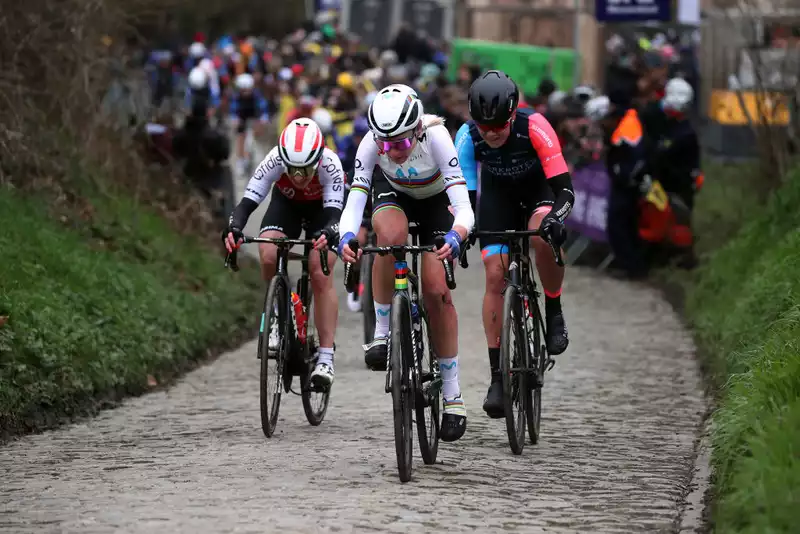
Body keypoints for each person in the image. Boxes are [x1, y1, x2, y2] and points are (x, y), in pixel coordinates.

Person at [337, 84, 475, 443]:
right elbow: (355, 200)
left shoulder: (438, 138)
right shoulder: (373, 143)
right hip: (393, 194)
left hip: (435, 204)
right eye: (384, 144)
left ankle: (452, 393)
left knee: (436, 290)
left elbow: (463, 208)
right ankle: (382, 330)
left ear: (417, 130)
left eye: (399, 143)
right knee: (389, 238)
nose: (391, 151)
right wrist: (346, 236)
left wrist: (457, 235)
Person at [454, 70, 573, 419]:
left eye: (498, 128)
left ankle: (553, 309)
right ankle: (497, 379)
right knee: (495, 275)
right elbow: (464, 197)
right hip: (497, 199)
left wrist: (556, 219)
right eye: (483, 127)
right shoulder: (467, 136)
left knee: (541, 237)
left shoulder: (534, 126)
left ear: (511, 116)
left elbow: (565, 190)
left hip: (538, 192)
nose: (489, 135)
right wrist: (460, 233)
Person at [223, 119, 344, 387]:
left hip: (322, 212)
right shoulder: (274, 158)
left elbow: (335, 213)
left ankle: (325, 357)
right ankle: (278, 315)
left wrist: (328, 233)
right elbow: (247, 203)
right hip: (286, 206)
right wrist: (234, 228)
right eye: (293, 170)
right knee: (267, 253)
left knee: (319, 269)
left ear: (317, 159)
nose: (299, 177)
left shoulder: (330, 162)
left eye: (306, 170)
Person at [585, 92, 649, 280]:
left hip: (628, 185)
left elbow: (638, 156)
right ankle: (628, 265)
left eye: (602, 123)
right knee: (622, 224)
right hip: (622, 182)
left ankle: (633, 267)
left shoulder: (628, 126)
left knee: (620, 224)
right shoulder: (620, 125)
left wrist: (627, 176)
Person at [337, 116, 373, 313]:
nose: (360, 140)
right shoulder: (347, 147)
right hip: (357, 199)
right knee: (357, 238)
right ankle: (355, 277)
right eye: (357, 136)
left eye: (363, 136)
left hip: (379, 203)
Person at [229, 73, 269, 175]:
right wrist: (234, 119)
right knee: (240, 137)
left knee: (256, 138)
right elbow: (233, 109)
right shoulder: (236, 96)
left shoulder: (257, 95)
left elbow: (263, 108)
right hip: (242, 118)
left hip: (254, 118)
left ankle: (259, 161)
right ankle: (241, 161)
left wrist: (263, 119)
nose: (245, 92)